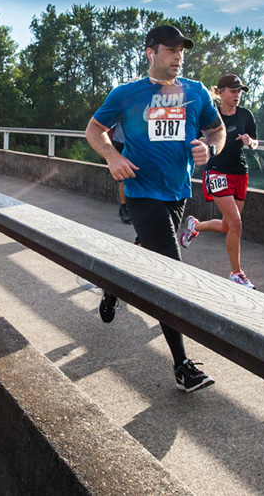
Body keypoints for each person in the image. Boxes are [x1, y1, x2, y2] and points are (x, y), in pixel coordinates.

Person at [84, 24, 226, 393]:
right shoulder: (127, 94)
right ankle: (182, 366)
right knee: (169, 272)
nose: (178, 57)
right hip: (141, 191)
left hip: (178, 192)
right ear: (151, 52)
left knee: (147, 248)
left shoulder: (195, 92)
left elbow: (217, 130)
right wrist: (112, 156)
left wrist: (210, 149)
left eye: (182, 51)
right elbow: (94, 129)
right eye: (171, 50)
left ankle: (112, 285)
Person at [180, 73, 259, 289]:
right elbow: (195, 139)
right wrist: (208, 143)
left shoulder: (245, 115)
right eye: (233, 91)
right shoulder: (210, 115)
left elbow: (255, 142)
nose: (237, 96)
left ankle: (195, 225)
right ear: (220, 92)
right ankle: (237, 274)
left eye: (240, 92)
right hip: (216, 171)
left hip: (239, 172)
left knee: (227, 226)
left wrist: (250, 141)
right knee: (236, 223)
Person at [107, 124, 131, 224]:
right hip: (120, 143)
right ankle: (124, 206)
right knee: (125, 176)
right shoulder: (120, 108)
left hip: (137, 145)